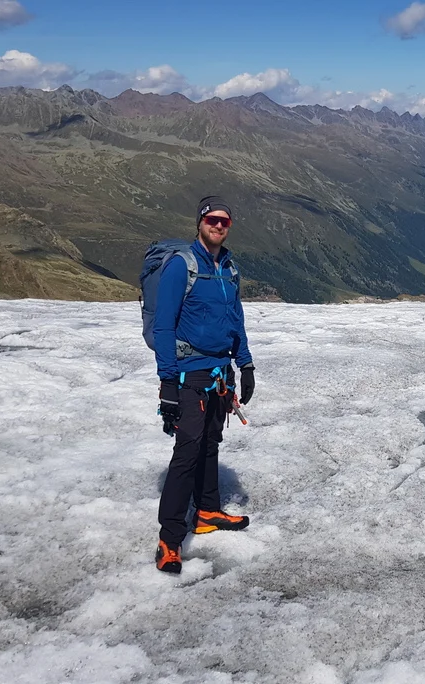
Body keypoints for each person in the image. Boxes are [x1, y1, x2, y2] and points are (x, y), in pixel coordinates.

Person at [152, 195, 256, 574]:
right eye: (212, 219)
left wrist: (244, 364)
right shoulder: (183, 266)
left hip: (220, 372)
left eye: (225, 221)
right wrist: (167, 381)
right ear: (199, 222)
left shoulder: (229, 267)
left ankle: (208, 510)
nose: (218, 225)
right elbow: (164, 325)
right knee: (187, 451)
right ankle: (170, 538)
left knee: (211, 442)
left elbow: (235, 317)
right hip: (188, 373)